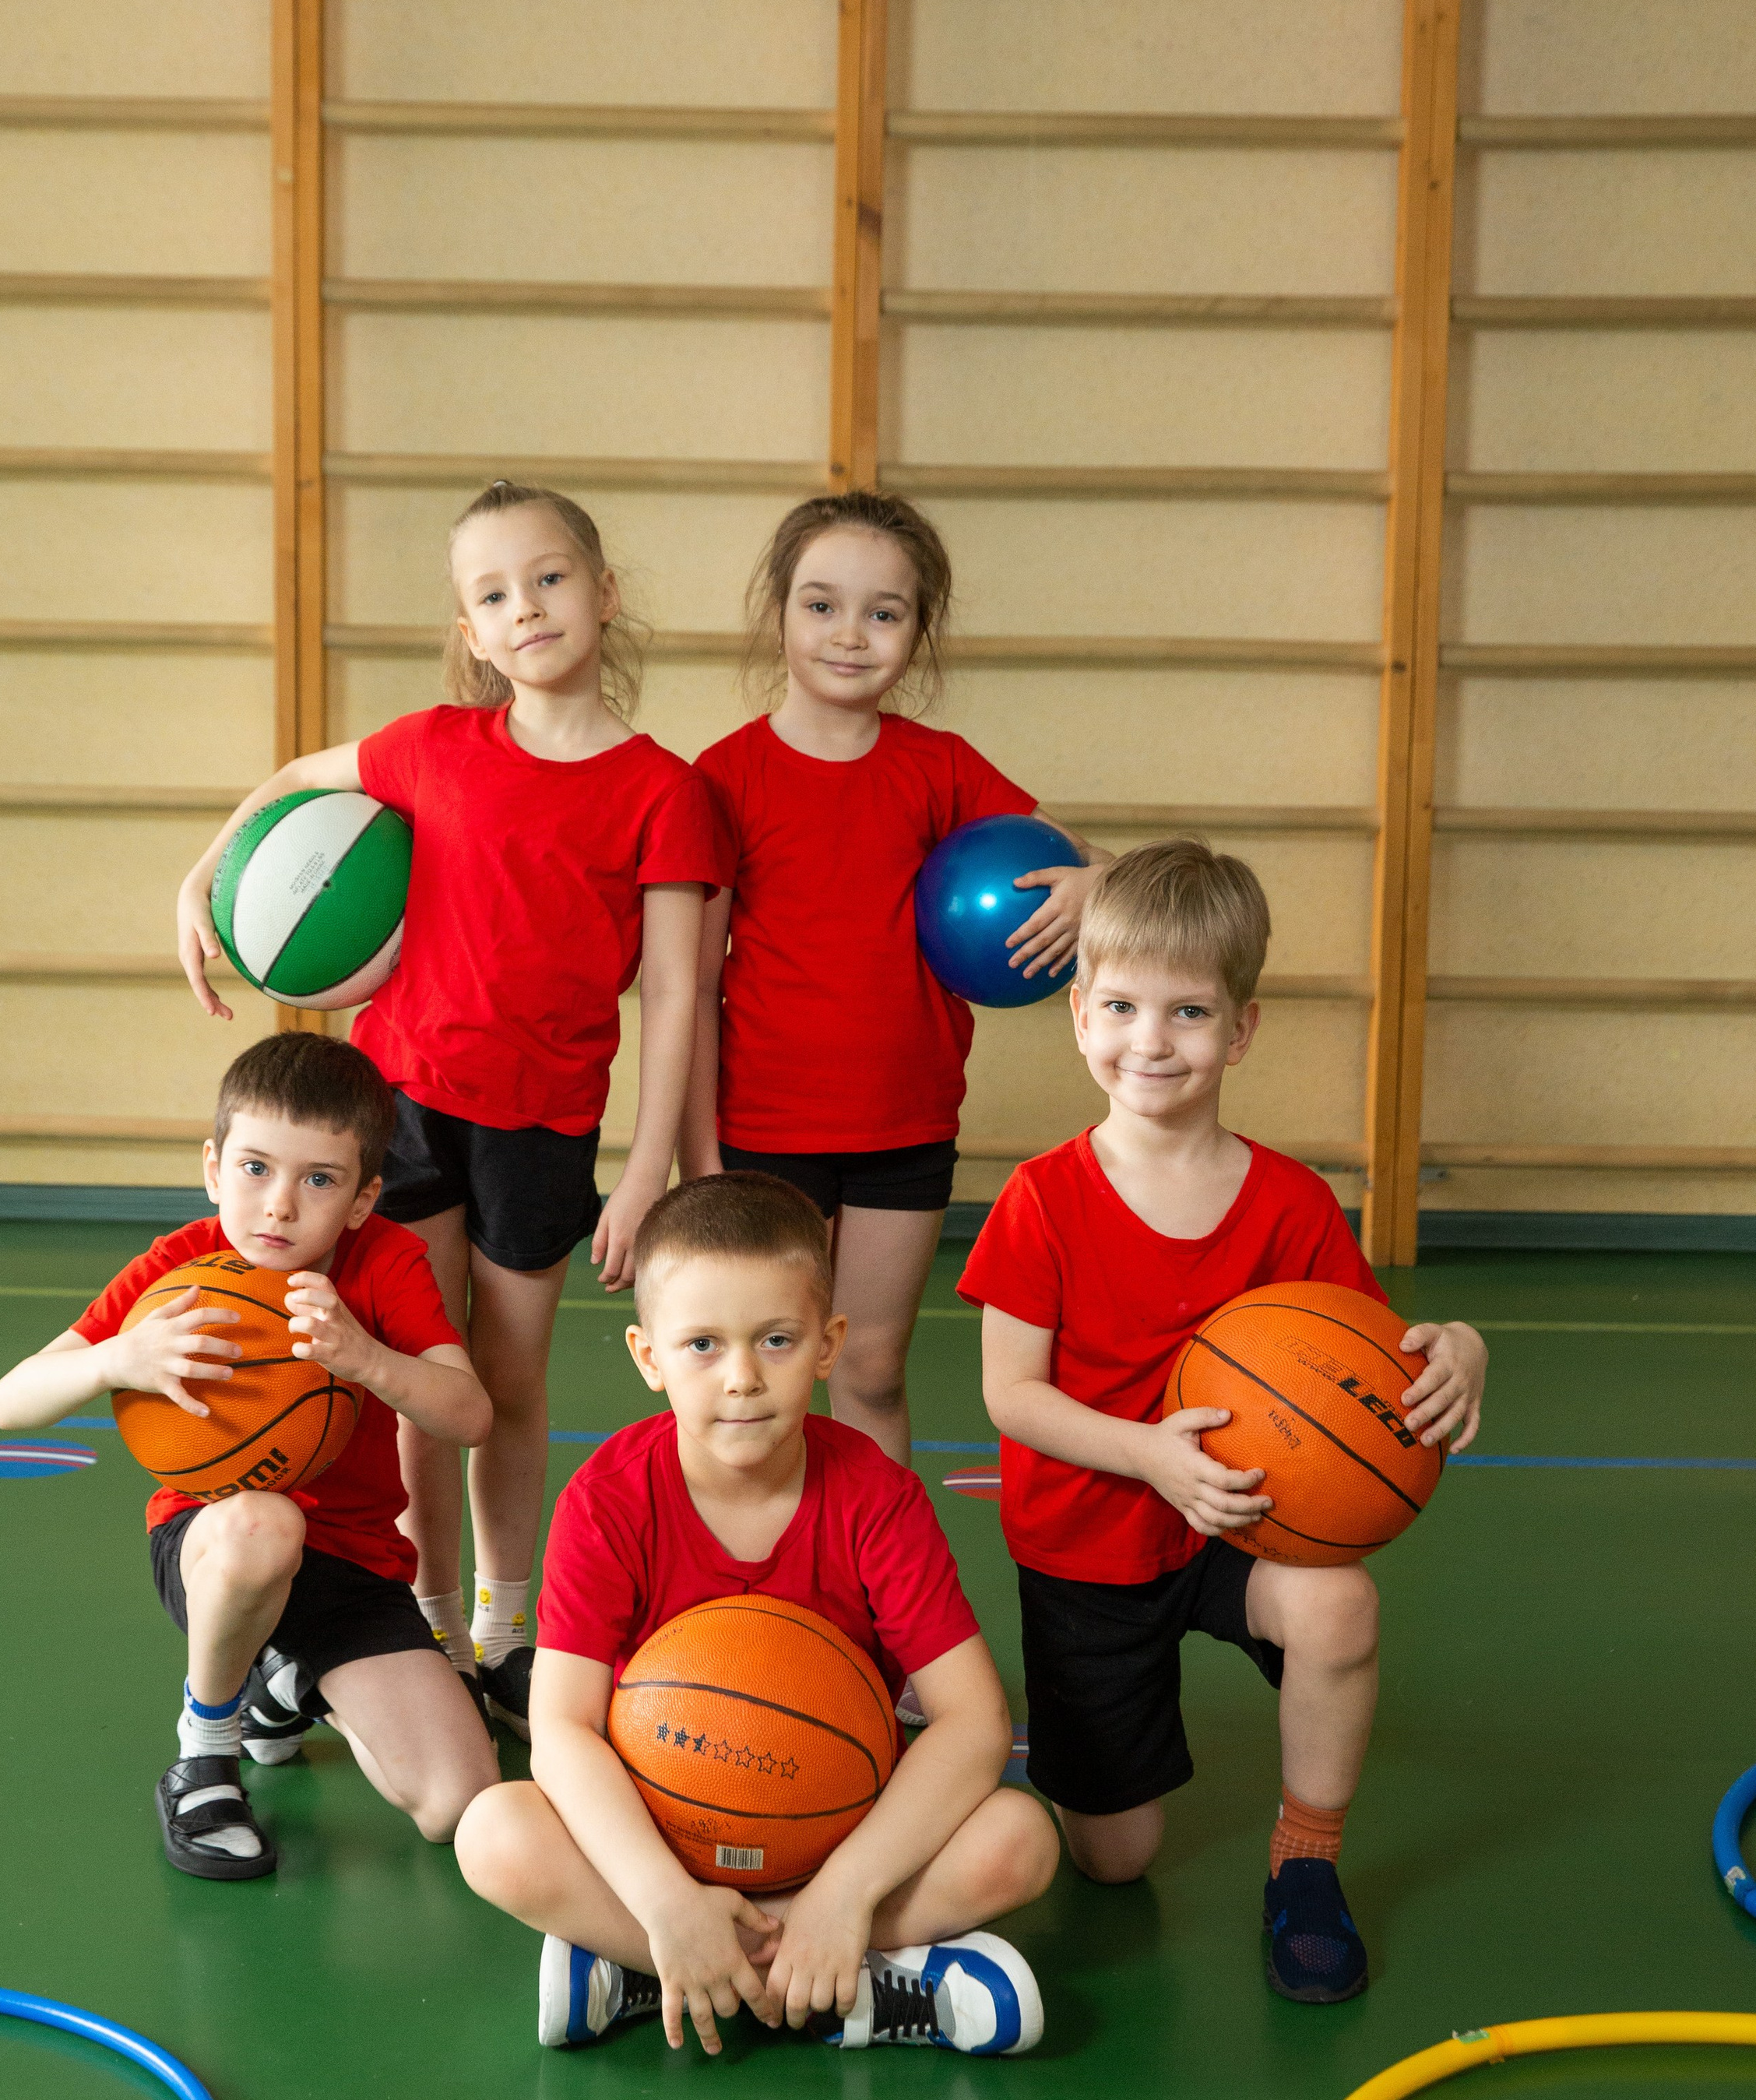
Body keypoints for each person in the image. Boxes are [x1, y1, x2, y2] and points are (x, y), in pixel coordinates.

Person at [174, 483, 727, 1740]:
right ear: (471, 632)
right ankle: (417, 1612)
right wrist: (201, 874)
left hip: (542, 1129)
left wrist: (645, 1172)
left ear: (604, 594)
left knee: (511, 1382)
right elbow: (284, 788)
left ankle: (507, 1625)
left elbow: (682, 994)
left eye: (548, 578)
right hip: (406, 1113)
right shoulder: (430, 745)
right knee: (425, 1372)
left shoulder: (662, 790)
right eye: (493, 595)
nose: (524, 608)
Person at [957, 840, 1487, 2003]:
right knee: (1114, 1858)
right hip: (1089, 1541)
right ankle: (1048, 1745)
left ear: (1239, 1031)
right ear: (1079, 1016)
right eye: (1122, 1007)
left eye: (1189, 1011)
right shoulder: (1043, 1199)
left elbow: (1374, 1364)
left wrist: (1463, 1347)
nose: (1151, 1040)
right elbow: (1012, 1396)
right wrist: (1150, 1455)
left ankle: (1306, 1862)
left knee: (1340, 1603)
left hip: (1243, 1527)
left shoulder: (1291, 1202)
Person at [455, 1172, 1057, 2056]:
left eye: (776, 1340)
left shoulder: (876, 1498)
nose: (741, 1378)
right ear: (647, 1355)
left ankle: (648, 1970)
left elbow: (972, 1720)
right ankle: (850, 1985)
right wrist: (665, 1901)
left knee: (1019, 1840)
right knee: (493, 1835)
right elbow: (561, 1727)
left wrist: (844, 1893)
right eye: (702, 1344)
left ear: (827, 1343)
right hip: (662, 1830)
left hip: (838, 1828)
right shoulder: (609, 1500)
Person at [0, 1033, 498, 1880]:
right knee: (264, 1523)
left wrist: (366, 1358)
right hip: (214, 1543)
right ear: (213, 1169)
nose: (280, 1207)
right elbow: (11, 1400)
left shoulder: (386, 1264)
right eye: (256, 1169)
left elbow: (471, 1415)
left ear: (365, 1197)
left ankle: (287, 1685)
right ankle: (207, 1750)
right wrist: (118, 1359)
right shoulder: (179, 1268)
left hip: (355, 1565)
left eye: (320, 1180)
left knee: (455, 1805)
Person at [681, 491, 1110, 1478]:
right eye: (822, 605)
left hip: (904, 1126)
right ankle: (756, 1592)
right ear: (779, 611)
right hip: (763, 1131)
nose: (851, 634)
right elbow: (691, 988)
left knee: (868, 1370)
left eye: (886, 612)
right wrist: (699, 1155)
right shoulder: (724, 778)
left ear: (919, 632)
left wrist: (1101, 883)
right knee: (754, 1385)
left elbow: (1075, 863)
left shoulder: (941, 768)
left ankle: (876, 1593)